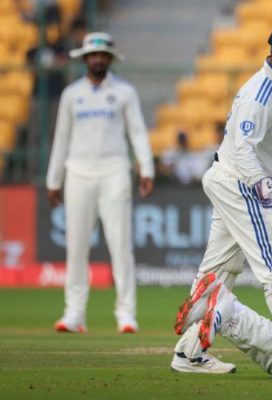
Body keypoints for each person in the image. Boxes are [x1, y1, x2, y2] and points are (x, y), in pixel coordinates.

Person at [170, 18, 272, 374]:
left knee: (221, 268)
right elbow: (242, 151)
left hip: (245, 182)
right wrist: (265, 186)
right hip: (238, 182)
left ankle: (188, 352)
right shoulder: (260, 95)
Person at [46, 32, 154, 334]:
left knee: (120, 246)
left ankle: (126, 315)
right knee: (76, 248)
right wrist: (53, 180)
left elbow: (137, 133)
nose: (97, 60)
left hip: (114, 172)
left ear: (109, 59)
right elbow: (61, 139)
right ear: (85, 59)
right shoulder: (72, 95)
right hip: (78, 174)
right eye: (92, 56)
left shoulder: (124, 93)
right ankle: (74, 314)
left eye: (102, 55)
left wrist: (146, 169)